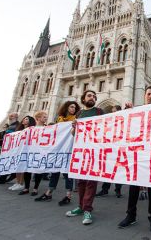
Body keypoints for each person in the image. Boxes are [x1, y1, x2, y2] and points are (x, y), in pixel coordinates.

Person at [117, 86, 151, 235]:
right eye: (148, 94)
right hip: (138, 155)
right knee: (133, 187)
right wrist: (128, 110)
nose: (150, 96)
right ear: (144, 95)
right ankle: (131, 215)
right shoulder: (137, 110)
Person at [65, 90, 104, 225]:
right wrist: (74, 127)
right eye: (89, 96)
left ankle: (87, 209)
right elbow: (72, 134)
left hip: (94, 150)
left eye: (94, 96)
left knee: (90, 182)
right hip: (81, 151)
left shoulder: (99, 112)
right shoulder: (80, 113)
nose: (92, 98)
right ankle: (81, 207)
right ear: (83, 99)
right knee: (81, 181)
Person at [35, 101, 80, 205]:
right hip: (58, 148)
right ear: (66, 108)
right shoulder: (59, 119)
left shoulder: (76, 120)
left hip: (69, 148)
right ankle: (49, 193)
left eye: (74, 107)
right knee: (55, 170)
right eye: (71, 107)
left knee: (66, 172)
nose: (73, 109)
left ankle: (68, 195)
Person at [95, 105, 123, 198]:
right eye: (112, 111)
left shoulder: (122, 121)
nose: (112, 113)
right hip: (110, 150)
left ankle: (118, 190)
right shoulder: (109, 122)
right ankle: (105, 189)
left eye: (114, 111)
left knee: (118, 171)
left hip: (119, 149)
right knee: (108, 170)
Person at [19, 112, 46, 196]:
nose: (46, 118)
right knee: (27, 169)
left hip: (41, 152)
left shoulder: (47, 128)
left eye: (46, 117)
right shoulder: (30, 129)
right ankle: (26, 188)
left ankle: (35, 188)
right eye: (44, 117)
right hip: (30, 151)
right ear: (38, 118)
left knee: (39, 170)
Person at [0, 113, 19, 185]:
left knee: (6, 162)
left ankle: (3, 178)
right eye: (10, 116)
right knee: (6, 162)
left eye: (12, 116)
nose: (10, 117)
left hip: (11, 147)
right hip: (7, 147)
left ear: (16, 117)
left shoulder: (17, 125)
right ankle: (8, 176)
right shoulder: (11, 125)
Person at [8, 116, 36, 191]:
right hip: (18, 150)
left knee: (22, 167)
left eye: (27, 119)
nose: (24, 120)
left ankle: (21, 183)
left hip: (26, 151)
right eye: (24, 118)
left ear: (30, 121)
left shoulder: (32, 130)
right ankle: (17, 182)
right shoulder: (19, 130)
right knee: (17, 166)